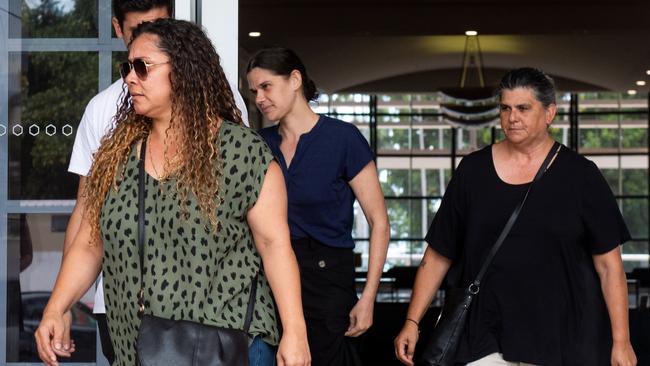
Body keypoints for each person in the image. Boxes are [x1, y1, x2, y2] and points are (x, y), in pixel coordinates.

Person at [36, 19, 310, 366]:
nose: (129, 77)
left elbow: (275, 246)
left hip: (229, 344)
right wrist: (56, 308)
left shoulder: (242, 153)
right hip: (139, 347)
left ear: (182, 71)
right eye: (127, 67)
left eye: (142, 67)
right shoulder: (119, 154)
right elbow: (91, 241)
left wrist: (295, 331)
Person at [394, 67, 637, 366]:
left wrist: (621, 341)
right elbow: (438, 255)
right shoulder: (472, 171)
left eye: (523, 108)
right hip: (482, 334)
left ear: (549, 113)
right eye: (505, 108)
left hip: (560, 337)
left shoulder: (581, 176)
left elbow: (610, 267)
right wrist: (412, 322)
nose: (512, 118)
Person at [63, 1, 249, 363]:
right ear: (119, 30)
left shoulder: (221, 109)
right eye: (138, 32)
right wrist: (62, 301)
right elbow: (87, 217)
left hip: (208, 313)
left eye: (160, 26)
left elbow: (252, 218)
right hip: (119, 304)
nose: (150, 39)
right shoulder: (102, 110)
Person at [246, 47, 390, 366]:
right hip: (271, 277)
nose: (259, 98)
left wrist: (368, 298)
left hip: (328, 280)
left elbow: (379, 222)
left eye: (266, 86)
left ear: (295, 79)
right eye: (254, 91)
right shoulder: (257, 144)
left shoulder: (343, 139)